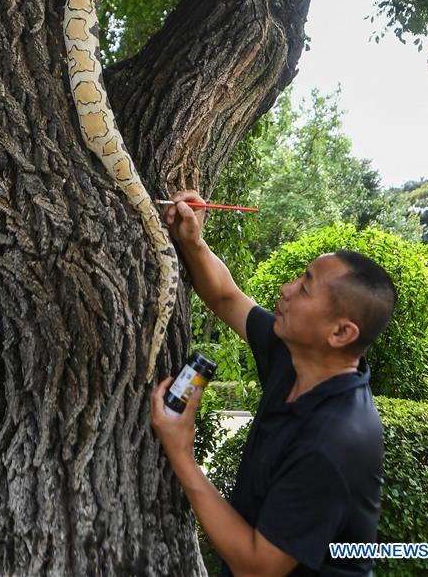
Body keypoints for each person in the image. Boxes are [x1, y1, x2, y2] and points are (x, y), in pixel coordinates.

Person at [150, 191, 397, 577]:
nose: (286, 288)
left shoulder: (337, 440)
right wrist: (192, 241)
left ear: (341, 332)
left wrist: (181, 452)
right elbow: (225, 297)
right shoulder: (295, 354)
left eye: (305, 288)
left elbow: (258, 567)